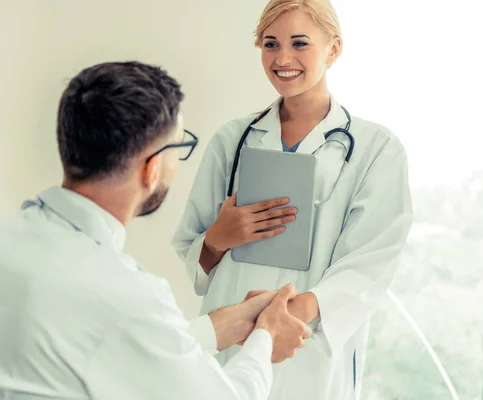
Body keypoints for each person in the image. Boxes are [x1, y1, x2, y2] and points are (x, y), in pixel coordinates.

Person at [0, 61, 311, 400]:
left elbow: (110, 339)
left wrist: (229, 325)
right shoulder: (122, 293)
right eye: (177, 147)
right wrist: (265, 339)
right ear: (151, 169)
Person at [172, 0, 414, 399]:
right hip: (230, 337)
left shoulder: (378, 149)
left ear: (333, 49)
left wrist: (286, 316)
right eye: (270, 44)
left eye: (300, 43)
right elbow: (192, 254)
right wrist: (218, 237)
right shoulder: (231, 140)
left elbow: (372, 261)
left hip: (309, 345)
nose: (283, 58)